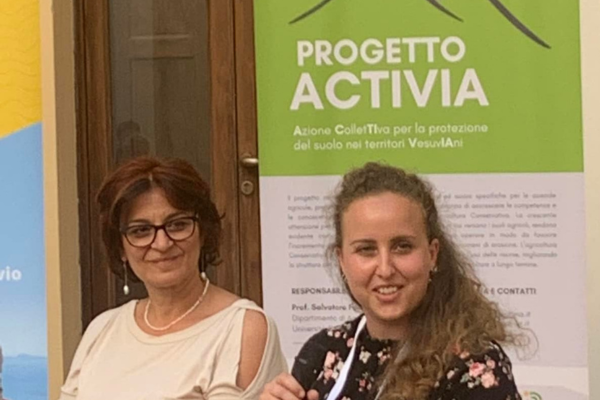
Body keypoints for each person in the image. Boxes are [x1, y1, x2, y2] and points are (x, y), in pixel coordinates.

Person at [260, 162, 525, 400]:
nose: (385, 269)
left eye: (402, 247)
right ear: (342, 260)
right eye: (366, 249)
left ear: (432, 254)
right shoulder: (324, 351)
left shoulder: (473, 365)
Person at [59, 156, 287, 400]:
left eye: (177, 225)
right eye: (141, 230)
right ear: (120, 247)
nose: (162, 243)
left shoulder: (242, 329)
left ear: (203, 232)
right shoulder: (102, 329)